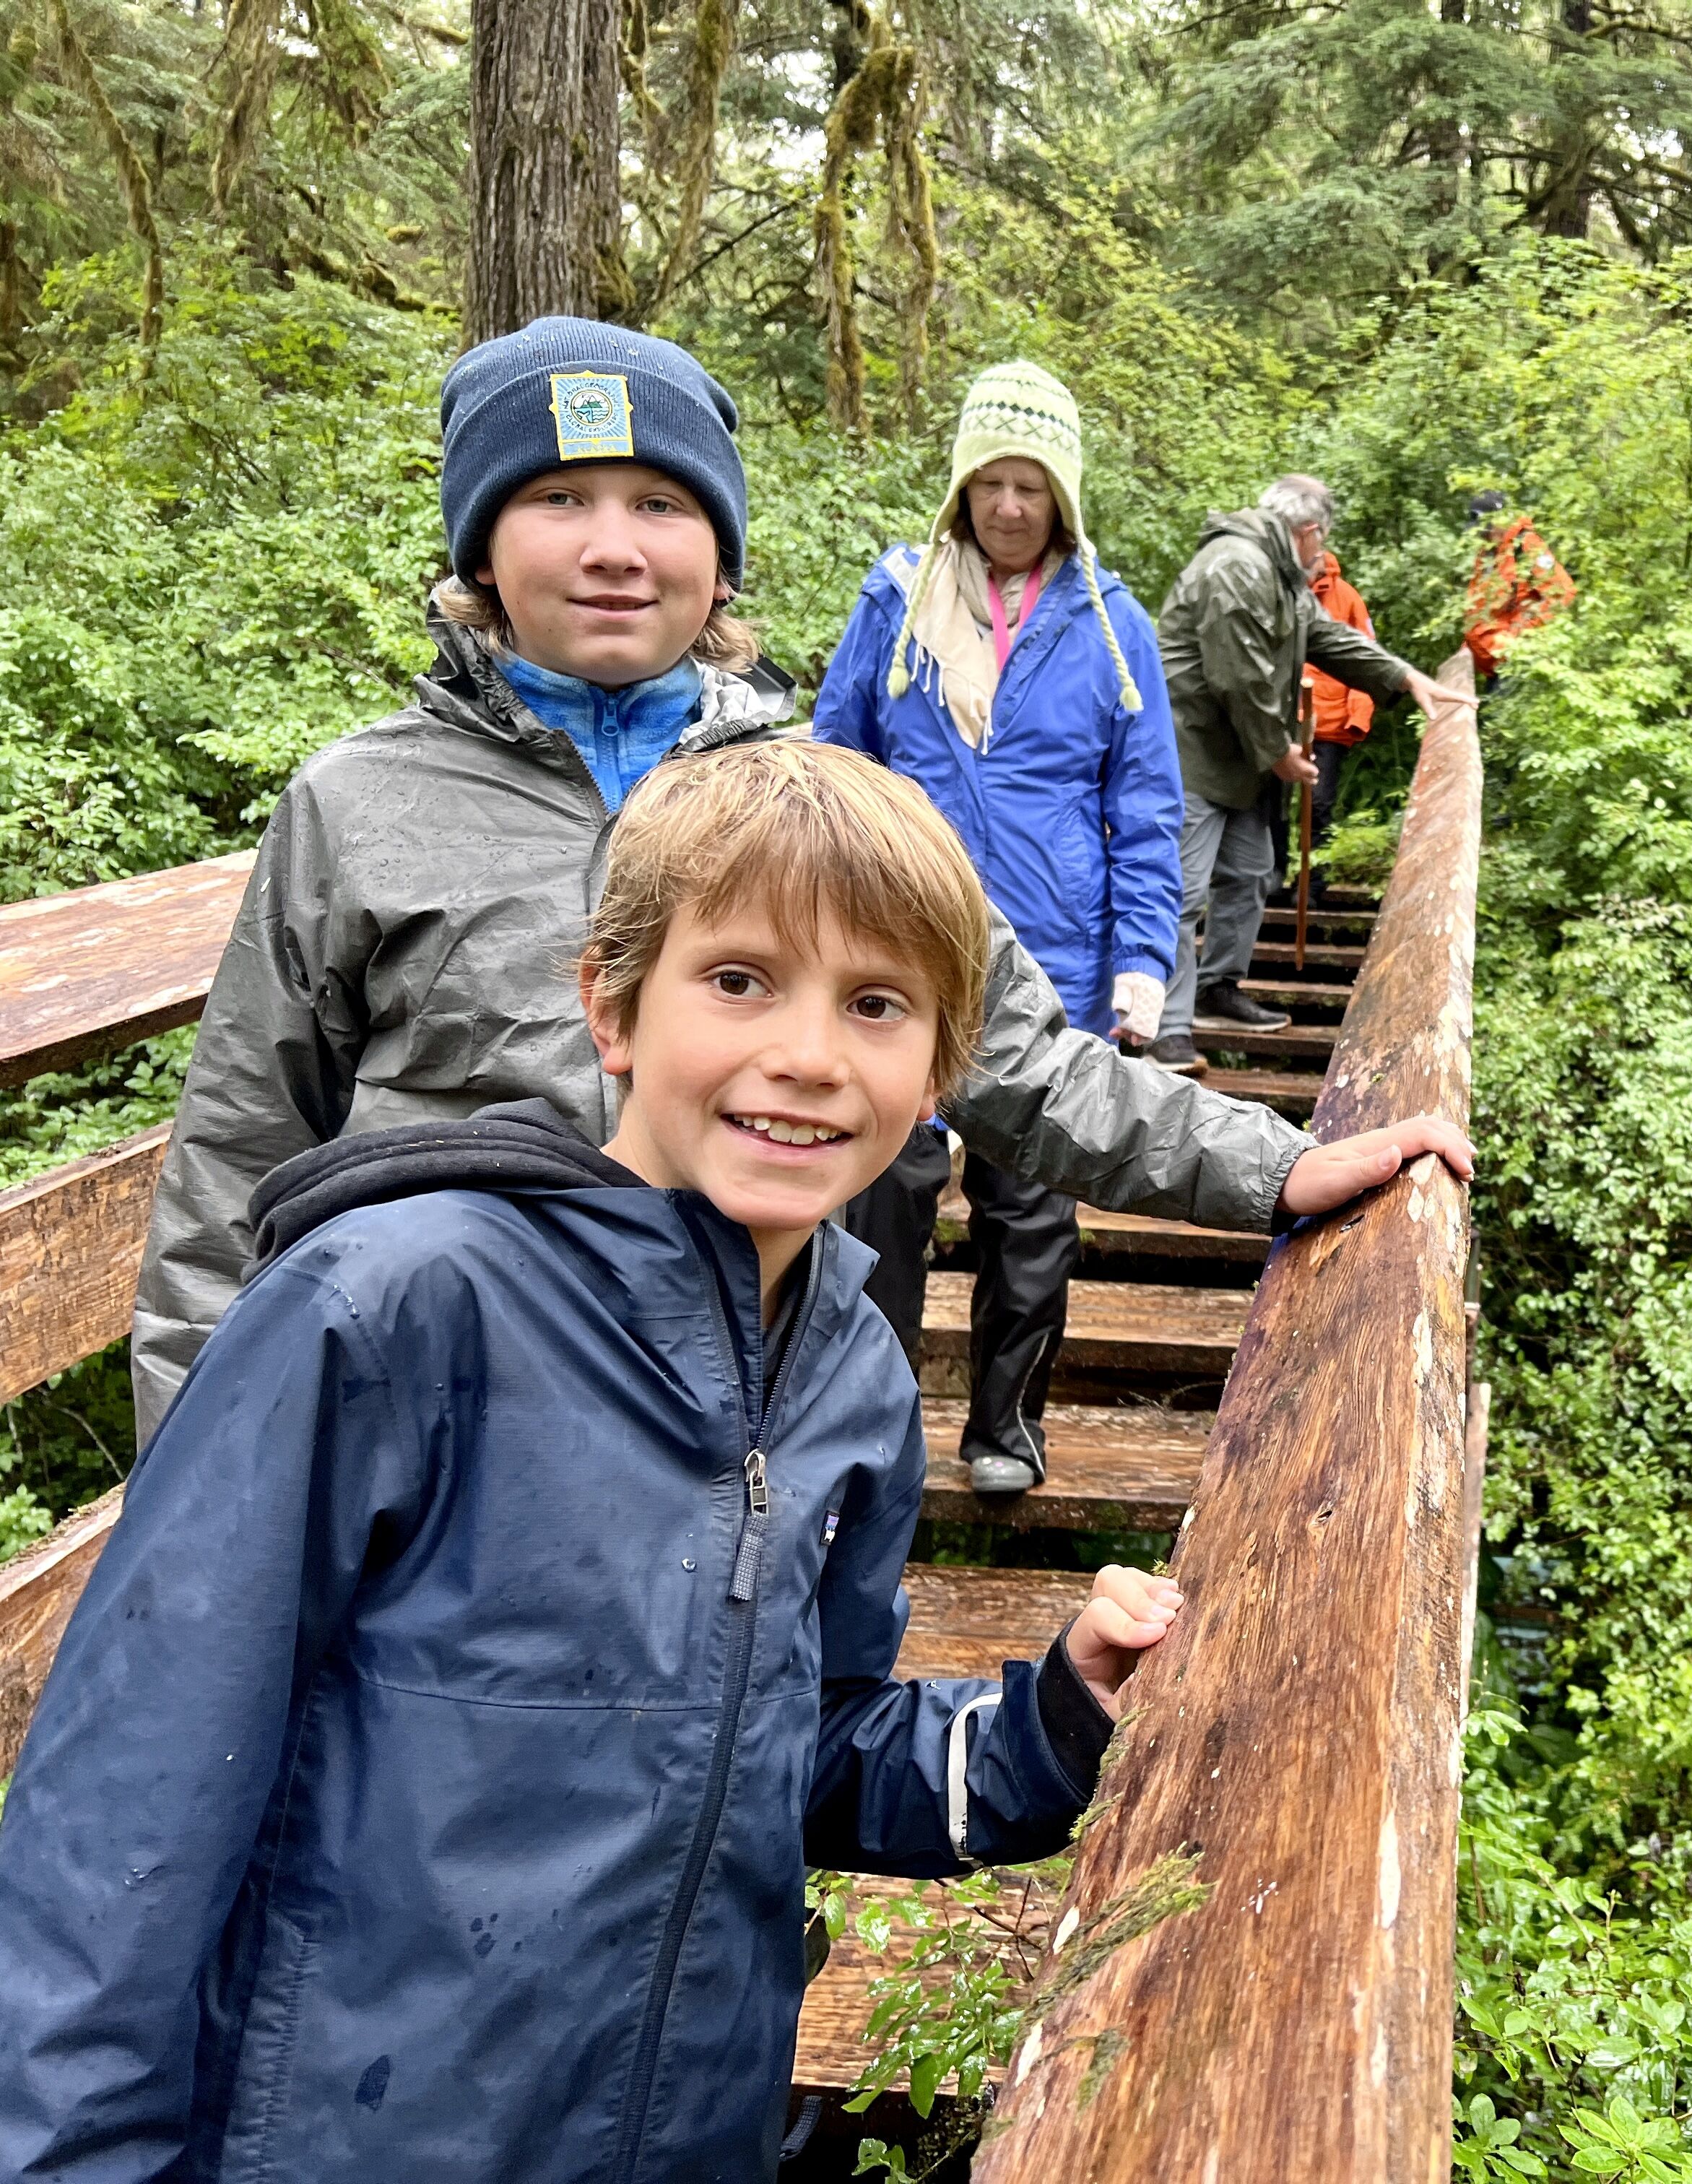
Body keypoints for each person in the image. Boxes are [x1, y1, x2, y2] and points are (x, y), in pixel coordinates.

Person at [0, 740, 1185, 2180]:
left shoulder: (854, 1377)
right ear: (610, 1007)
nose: (809, 1055)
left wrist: (1046, 1722)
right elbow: (129, 1796)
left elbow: (794, 1750)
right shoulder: (393, 1305)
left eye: (876, 1004)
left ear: (941, 1067)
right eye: (739, 979)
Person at [128, 320, 1473, 1447]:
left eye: (661, 503)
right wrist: (200, 1490)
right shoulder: (359, 808)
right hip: (424, 1413)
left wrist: (1279, 1166)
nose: (615, 547)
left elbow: (1015, 1054)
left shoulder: (809, 805)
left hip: (734, 1416)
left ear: (721, 555)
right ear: (480, 547)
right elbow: (238, 1159)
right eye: (559, 499)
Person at [814, 360, 1181, 1489]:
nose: (1009, 507)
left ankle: (1005, 1429)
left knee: (1031, 1211)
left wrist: (1141, 965)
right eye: (990, 484)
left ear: (1062, 497)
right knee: (883, 1196)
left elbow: (1146, 807)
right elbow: (833, 767)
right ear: (962, 489)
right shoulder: (898, 600)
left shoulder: (1112, 627)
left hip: (1054, 958)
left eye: (1031, 487)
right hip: (901, 948)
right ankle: (869, 1428)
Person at [1150, 474, 1475, 1072]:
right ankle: (1165, 1028)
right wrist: (1280, 753)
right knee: (1182, 891)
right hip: (1190, 753)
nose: (1322, 550)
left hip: (1242, 761)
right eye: (1322, 539)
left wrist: (1403, 677)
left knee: (1250, 875)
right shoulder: (1236, 565)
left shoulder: (1281, 577)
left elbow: (1327, 636)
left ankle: (1217, 989)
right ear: (1308, 531)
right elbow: (1238, 676)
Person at [1283, 541, 1379, 872]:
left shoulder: (1348, 598)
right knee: (1272, 806)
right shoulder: (1281, 591)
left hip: (1329, 723)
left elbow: (1365, 658)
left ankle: (1314, 883)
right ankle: (1272, 881)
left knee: (1319, 804)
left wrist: (1358, 716)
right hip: (1283, 719)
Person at [1461, 488, 1574, 685]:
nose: (1481, 535)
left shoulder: (1525, 545)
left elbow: (1561, 594)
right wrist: (1471, 644)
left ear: (1500, 520)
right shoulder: (1487, 554)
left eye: (1485, 528)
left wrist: (1518, 637)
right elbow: (1481, 609)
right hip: (1494, 668)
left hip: (1517, 665)